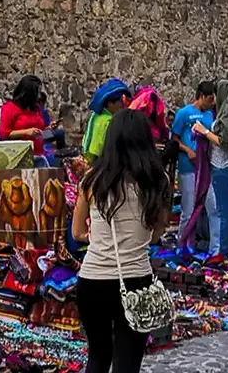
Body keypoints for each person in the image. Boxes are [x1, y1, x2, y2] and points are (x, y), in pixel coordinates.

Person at [72, 106, 171, 373]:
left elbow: (77, 232)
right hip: (136, 280)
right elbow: (157, 233)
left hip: (92, 281)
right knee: (128, 362)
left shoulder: (91, 180)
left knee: (98, 355)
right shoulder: (158, 181)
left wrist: (97, 236)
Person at [193, 78, 228, 263]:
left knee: (224, 210)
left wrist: (204, 131)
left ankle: (225, 254)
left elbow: (224, 143)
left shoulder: (226, 117)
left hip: (222, 166)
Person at [169, 81, 217, 250]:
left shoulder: (210, 115)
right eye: (209, 99)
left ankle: (215, 248)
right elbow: (174, 138)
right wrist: (187, 150)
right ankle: (182, 245)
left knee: (213, 208)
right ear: (201, 96)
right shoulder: (184, 114)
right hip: (188, 168)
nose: (211, 103)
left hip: (206, 168)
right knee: (188, 211)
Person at [0, 75, 65, 158]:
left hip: (38, 153)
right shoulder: (9, 108)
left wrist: (48, 127)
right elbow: (4, 133)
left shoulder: (36, 107)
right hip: (19, 155)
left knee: (60, 133)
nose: (38, 96)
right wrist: (26, 132)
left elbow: (39, 130)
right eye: (36, 92)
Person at [83, 79, 131, 164]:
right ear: (110, 103)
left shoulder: (96, 116)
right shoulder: (108, 121)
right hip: (99, 162)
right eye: (120, 102)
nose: (123, 106)